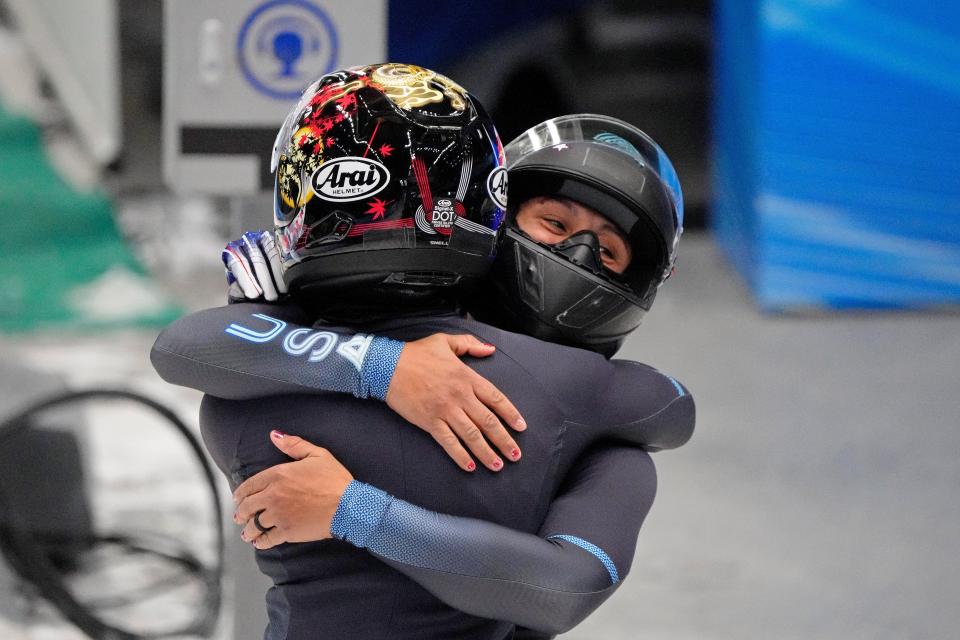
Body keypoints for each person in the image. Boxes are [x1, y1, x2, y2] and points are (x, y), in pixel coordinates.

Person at [152, 64, 693, 640]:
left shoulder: (602, 424)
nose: (576, 254)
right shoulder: (609, 406)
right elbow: (670, 407)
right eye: (555, 223)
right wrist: (387, 370)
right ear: (497, 217)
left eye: (607, 252)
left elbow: (565, 585)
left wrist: (354, 508)